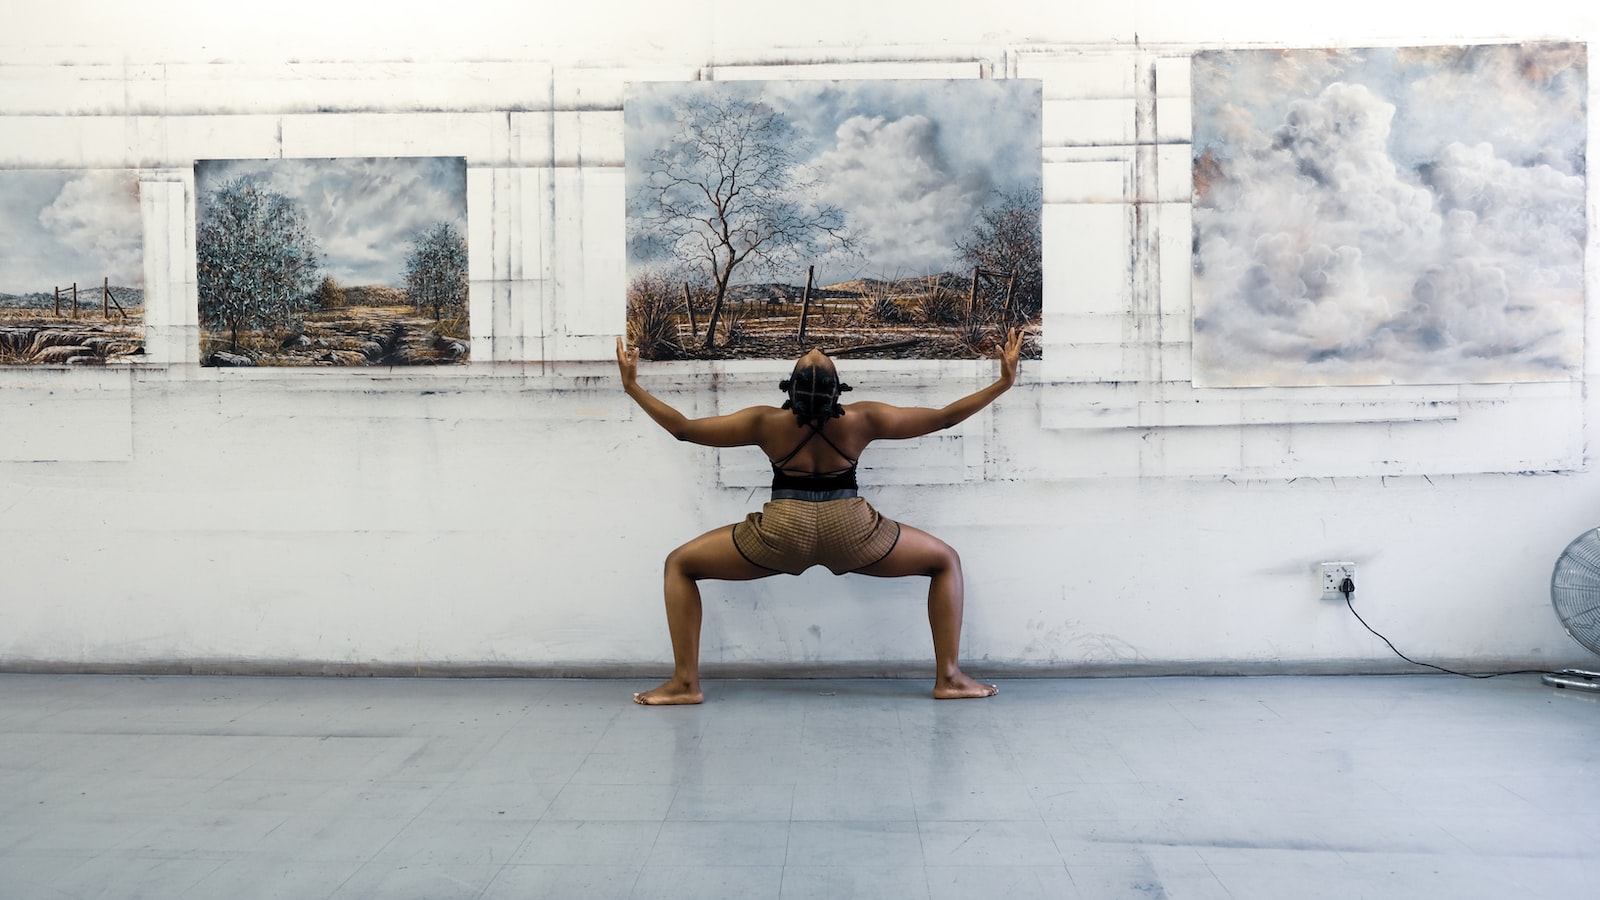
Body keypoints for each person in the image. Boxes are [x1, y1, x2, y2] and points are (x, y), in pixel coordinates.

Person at [616, 329, 1024, 704]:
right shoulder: (864, 418)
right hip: (853, 530)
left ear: (789, 391)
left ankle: (685, 683)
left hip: (781, 532)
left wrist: (633, 386)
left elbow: (684, 429)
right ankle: (949, 678)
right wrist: (1003, 383)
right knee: (945, 561)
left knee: (680, 564)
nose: (815, 350)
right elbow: (944, 417)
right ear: (838, 393)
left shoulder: (765, 421)